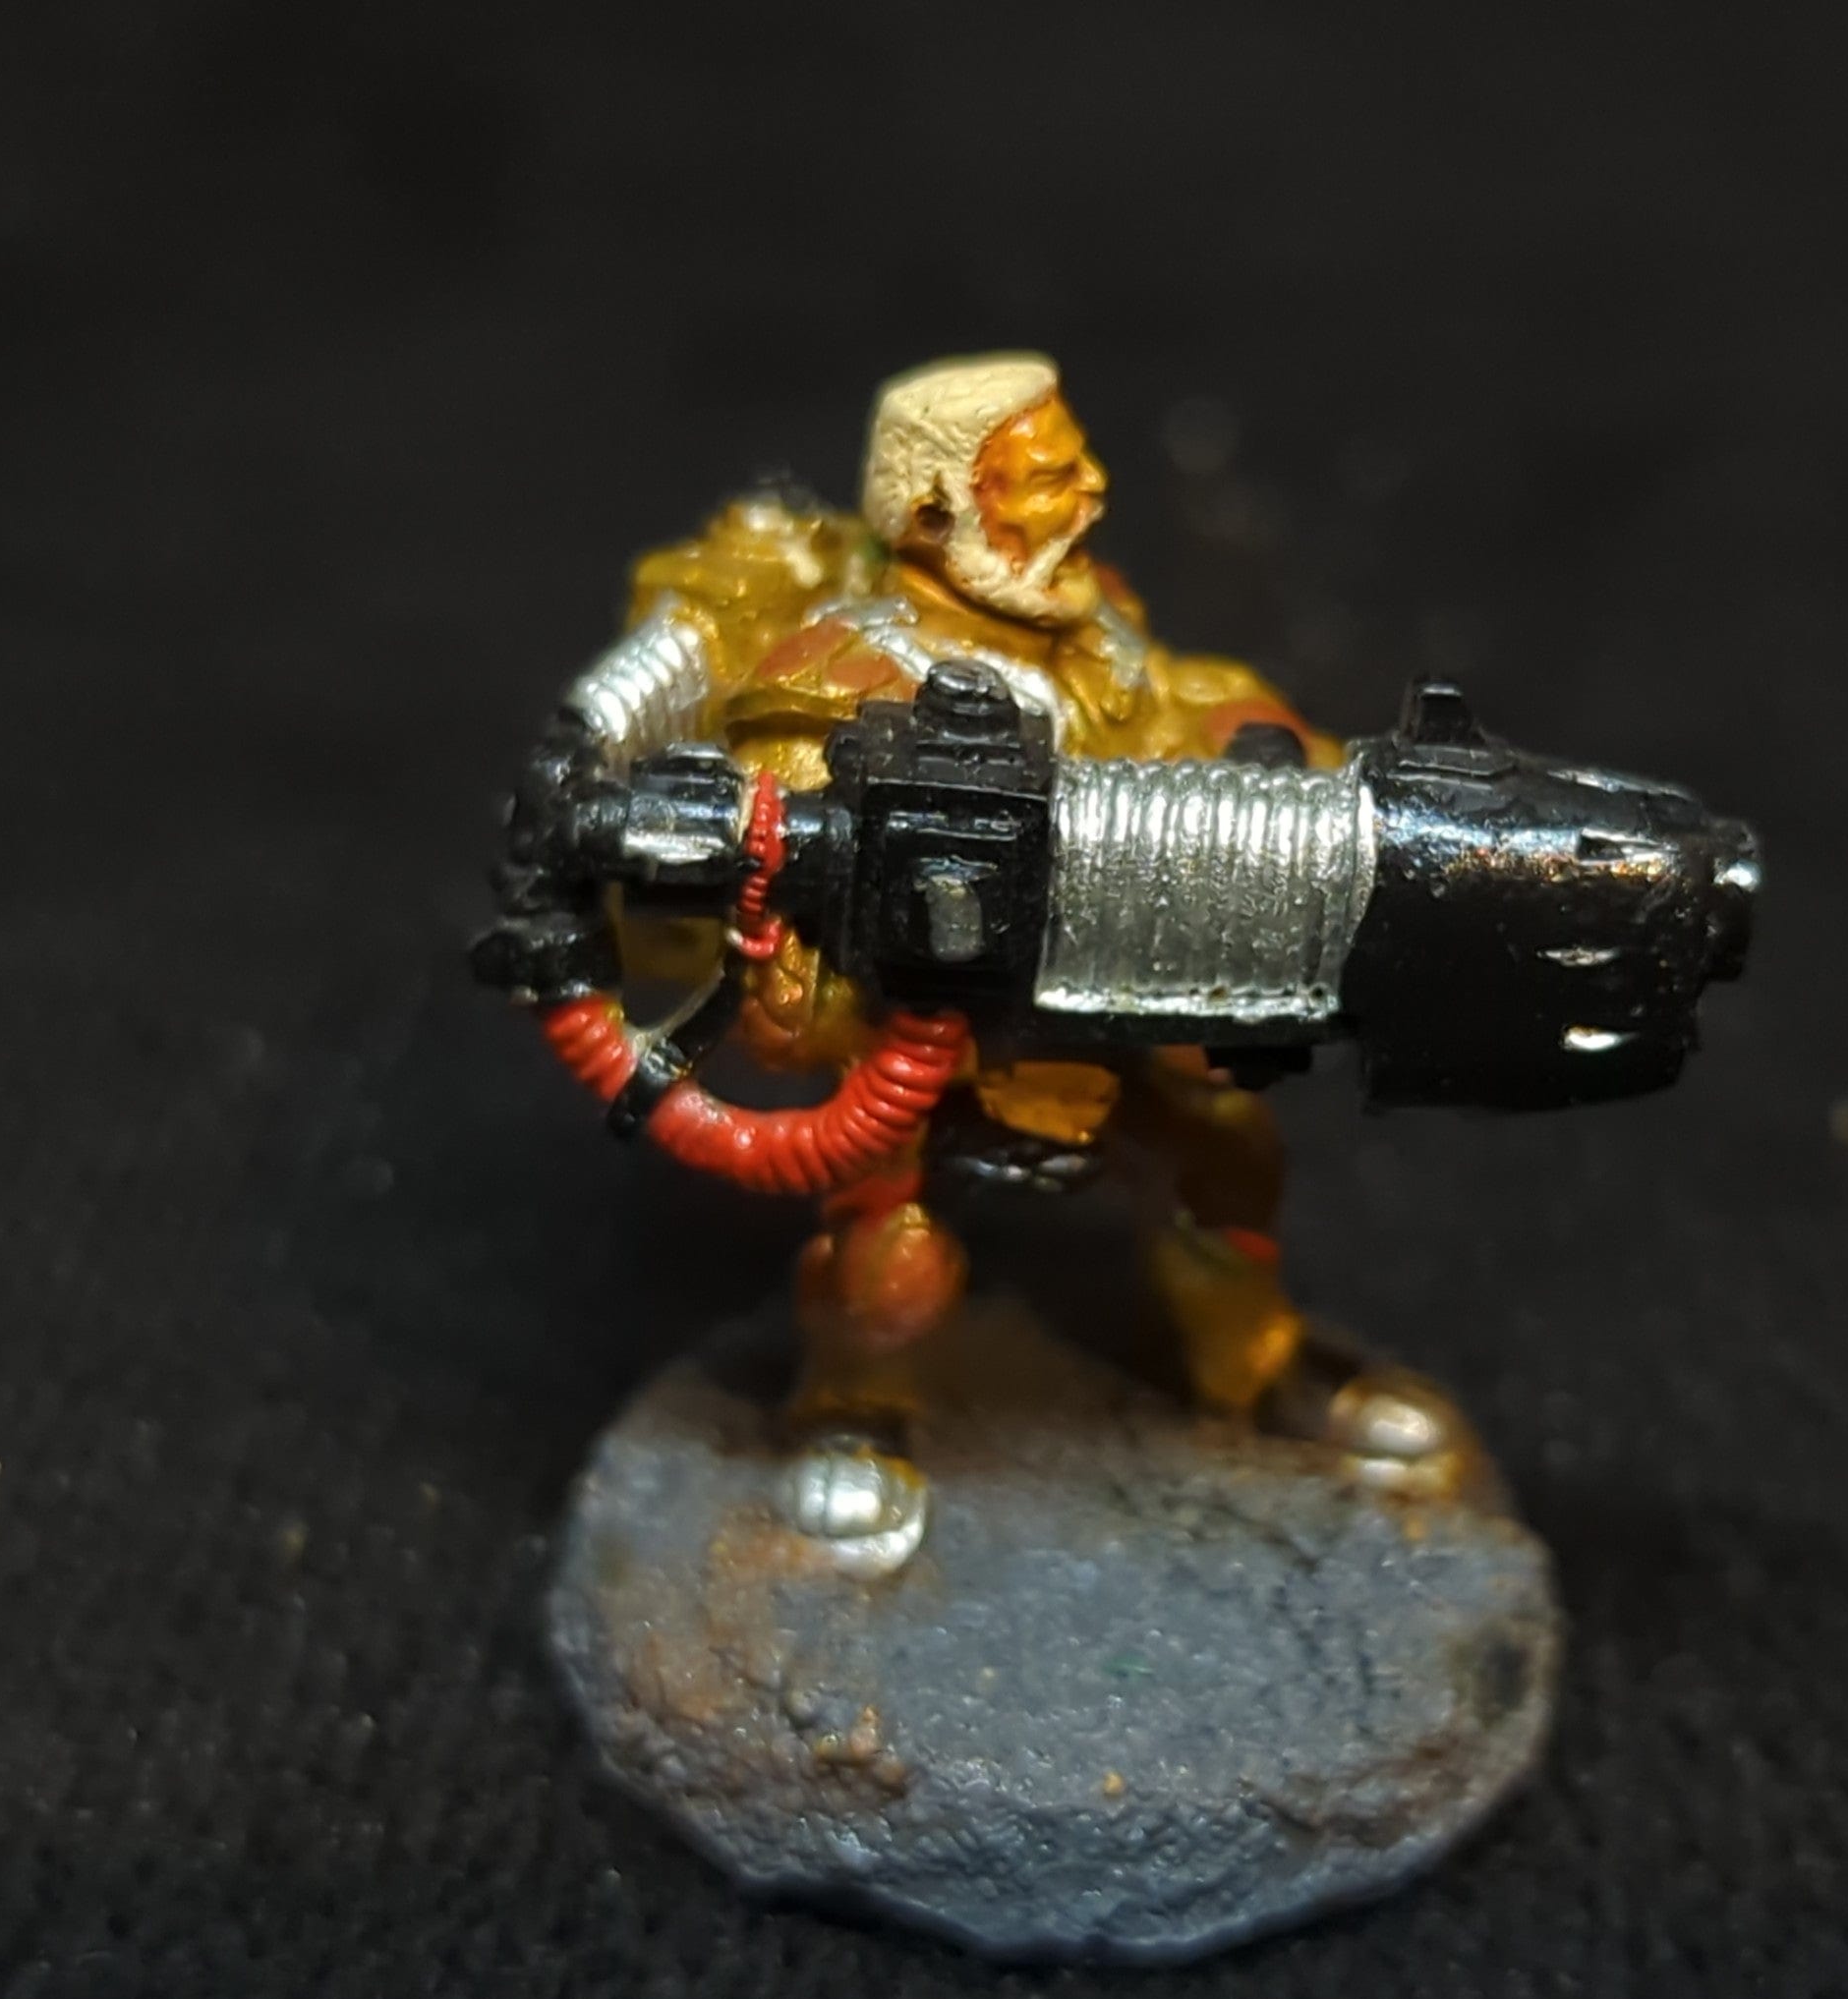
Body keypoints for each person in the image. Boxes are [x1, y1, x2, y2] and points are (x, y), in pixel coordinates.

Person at [556, 353, 1476, 1571]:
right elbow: (785, 963)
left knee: (1225, 1157)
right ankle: (854, 1407)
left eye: (1080, 462)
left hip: (1119, 992)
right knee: (891, 1246)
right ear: (937, 514)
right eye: (1046, 479)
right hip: (928, 1044)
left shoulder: (1091, 622)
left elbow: (1177, 702)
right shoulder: (829, 690)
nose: (1090, 491)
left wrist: (1285, 762)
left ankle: (1256, 1363)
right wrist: (845, 989)